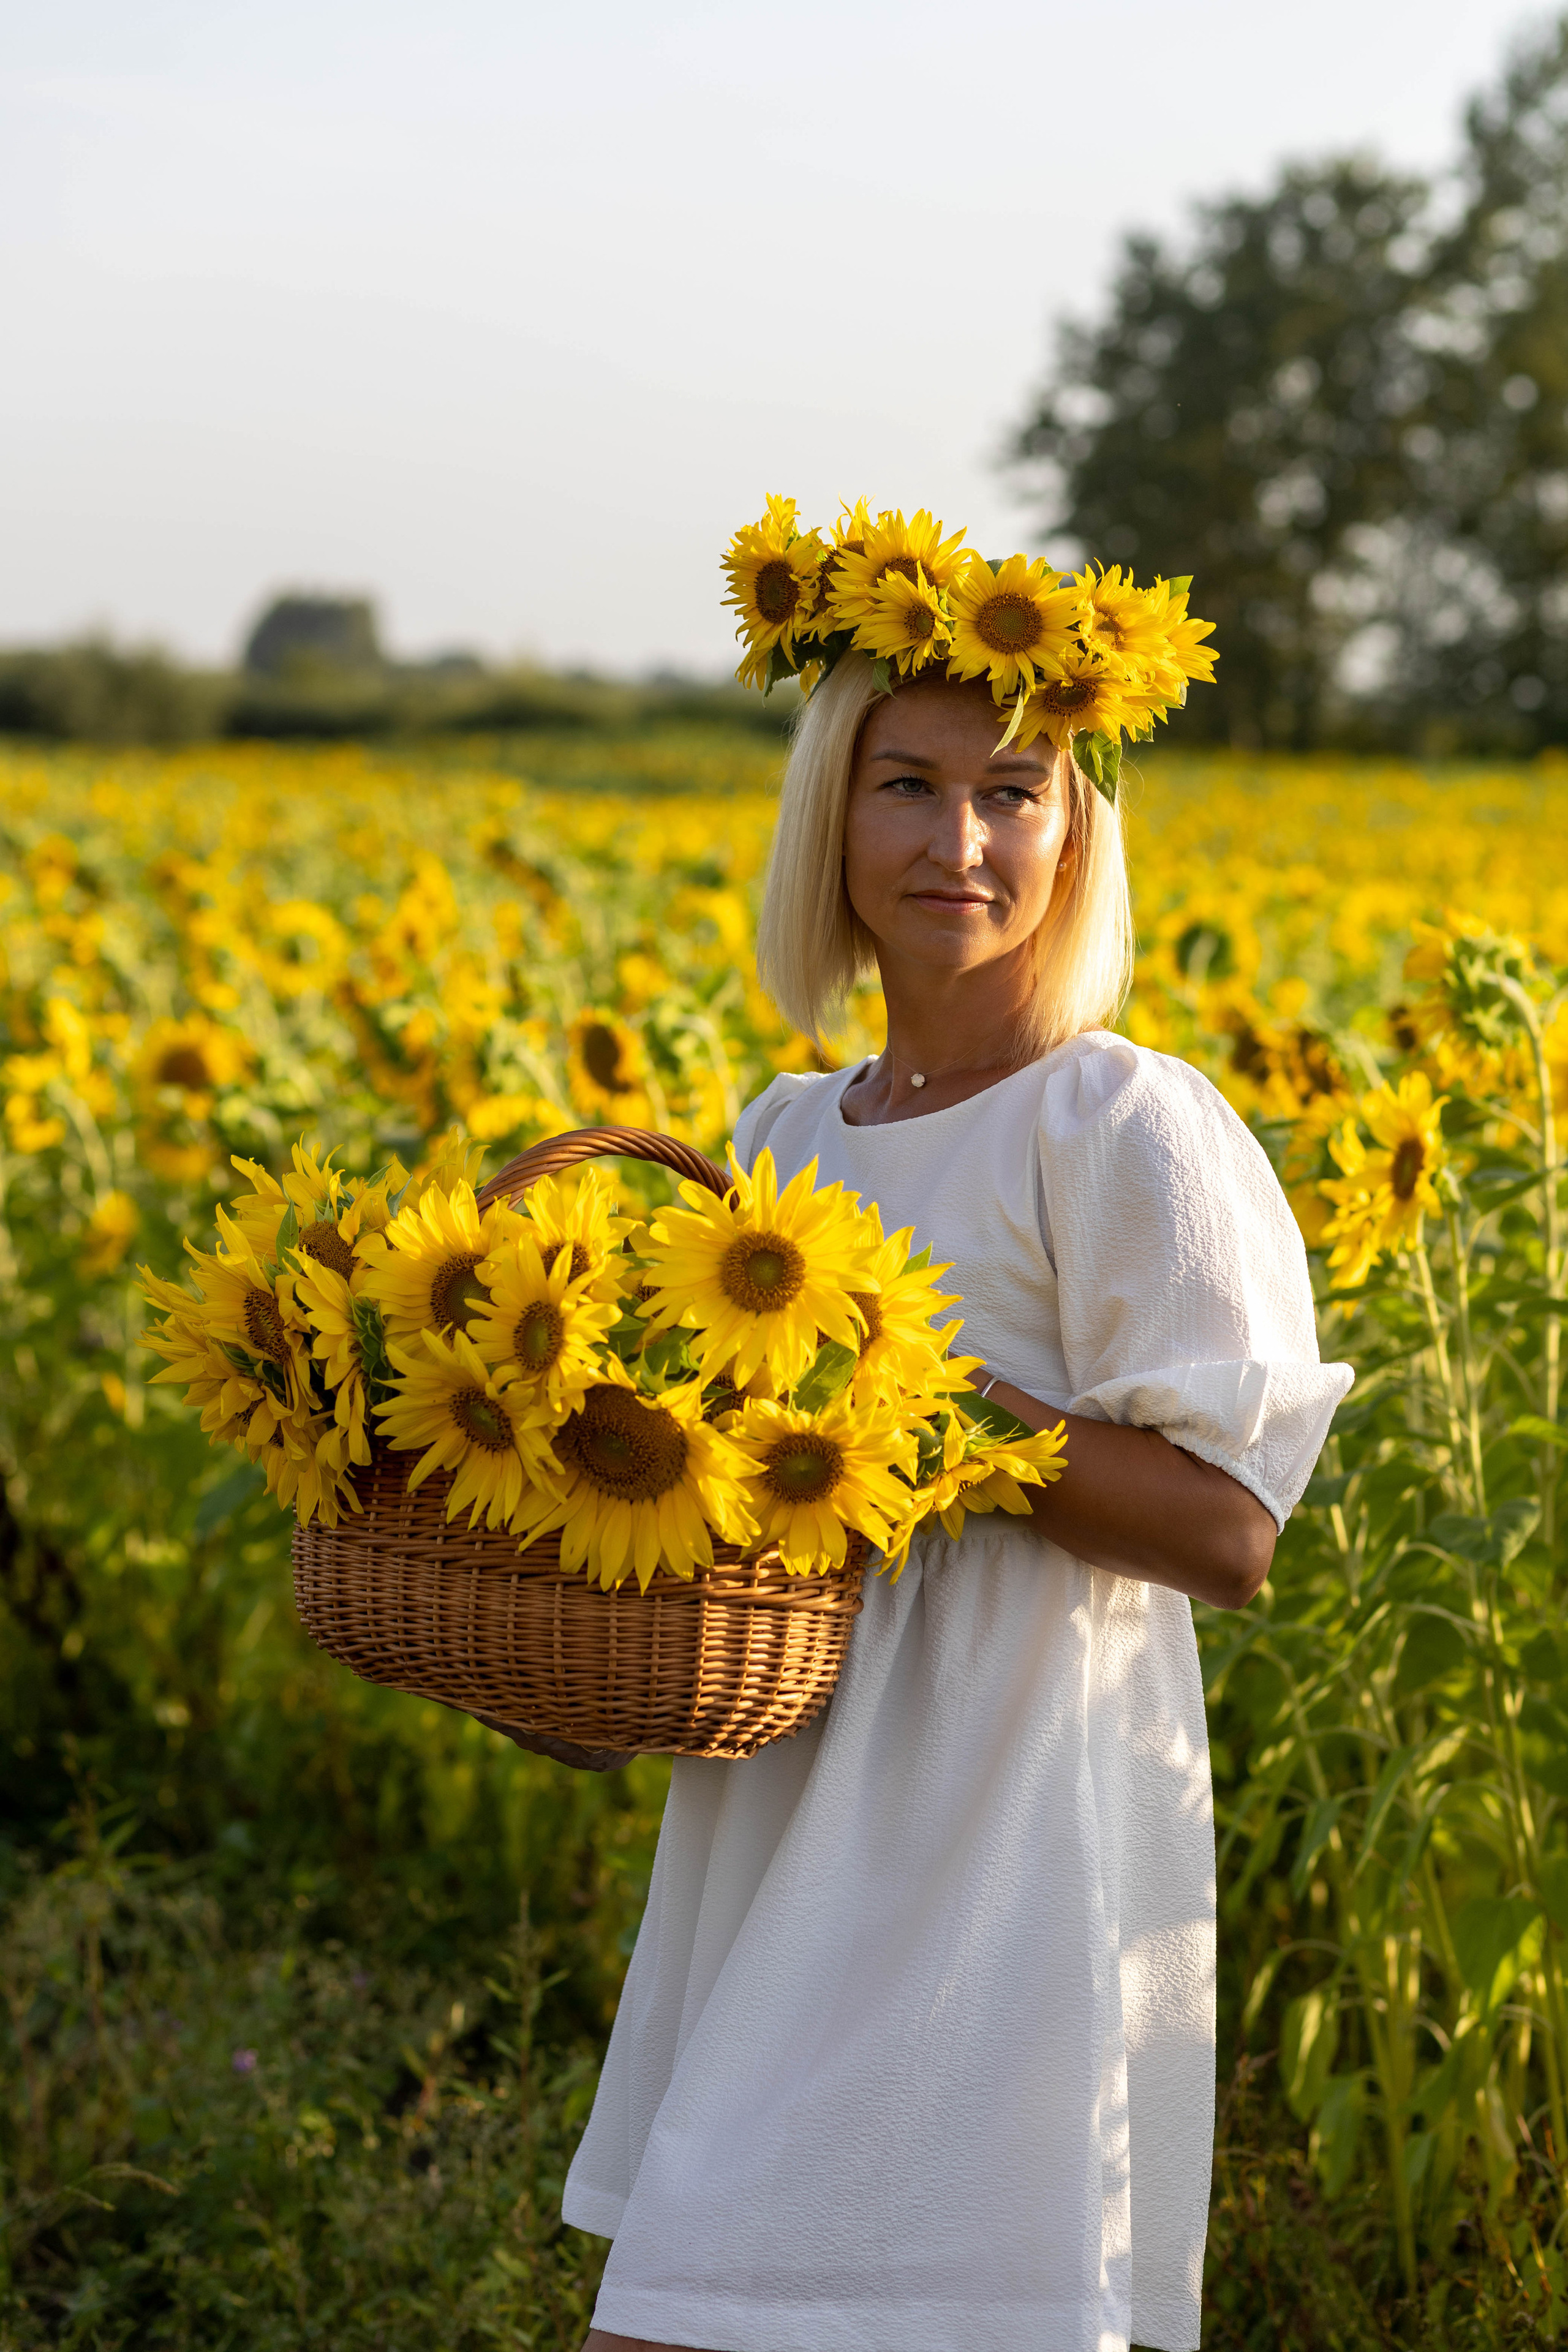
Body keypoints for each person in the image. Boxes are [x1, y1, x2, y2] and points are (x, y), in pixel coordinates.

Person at [561, 513, 1352, 2352]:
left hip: (999, 1834)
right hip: (790, 1809)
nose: (961, 843)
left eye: (1013, 794)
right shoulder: (785, 1133)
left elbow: (1230, 1532)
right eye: (907, 785)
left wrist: (938, 1399)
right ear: (831, 815)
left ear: (1076, 836)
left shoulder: (1122, 1124)